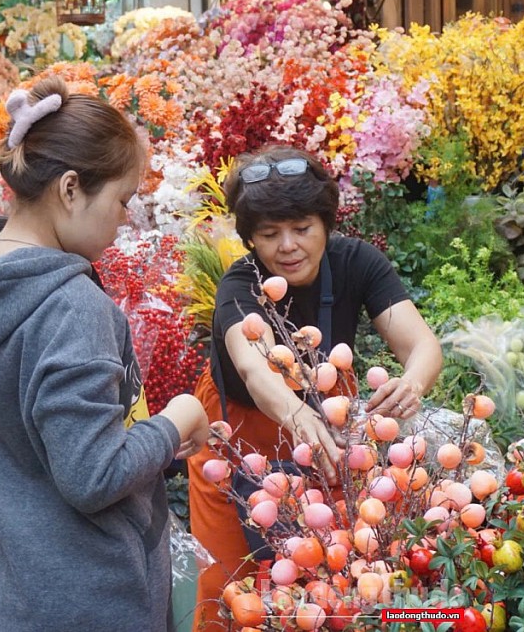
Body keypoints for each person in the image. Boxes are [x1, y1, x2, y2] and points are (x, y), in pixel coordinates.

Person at [0, 77, 210, 632]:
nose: (125, 219)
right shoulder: (70, 307)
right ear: (70, 188)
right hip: (89, 599)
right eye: (122, 200)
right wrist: (178, 420)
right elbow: (94, 475)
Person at [188, 145, 443, 629]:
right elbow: (255, 370)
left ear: (326, 224)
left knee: (330, 576)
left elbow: (423, 345)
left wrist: (413, 382)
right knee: (232, 586)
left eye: (302, 229)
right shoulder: (240, 286)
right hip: (242, 434)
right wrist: (299, 415)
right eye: (269, 234)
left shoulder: (356, 264)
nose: (288, 245)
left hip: (329, 429)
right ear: (250, 240)